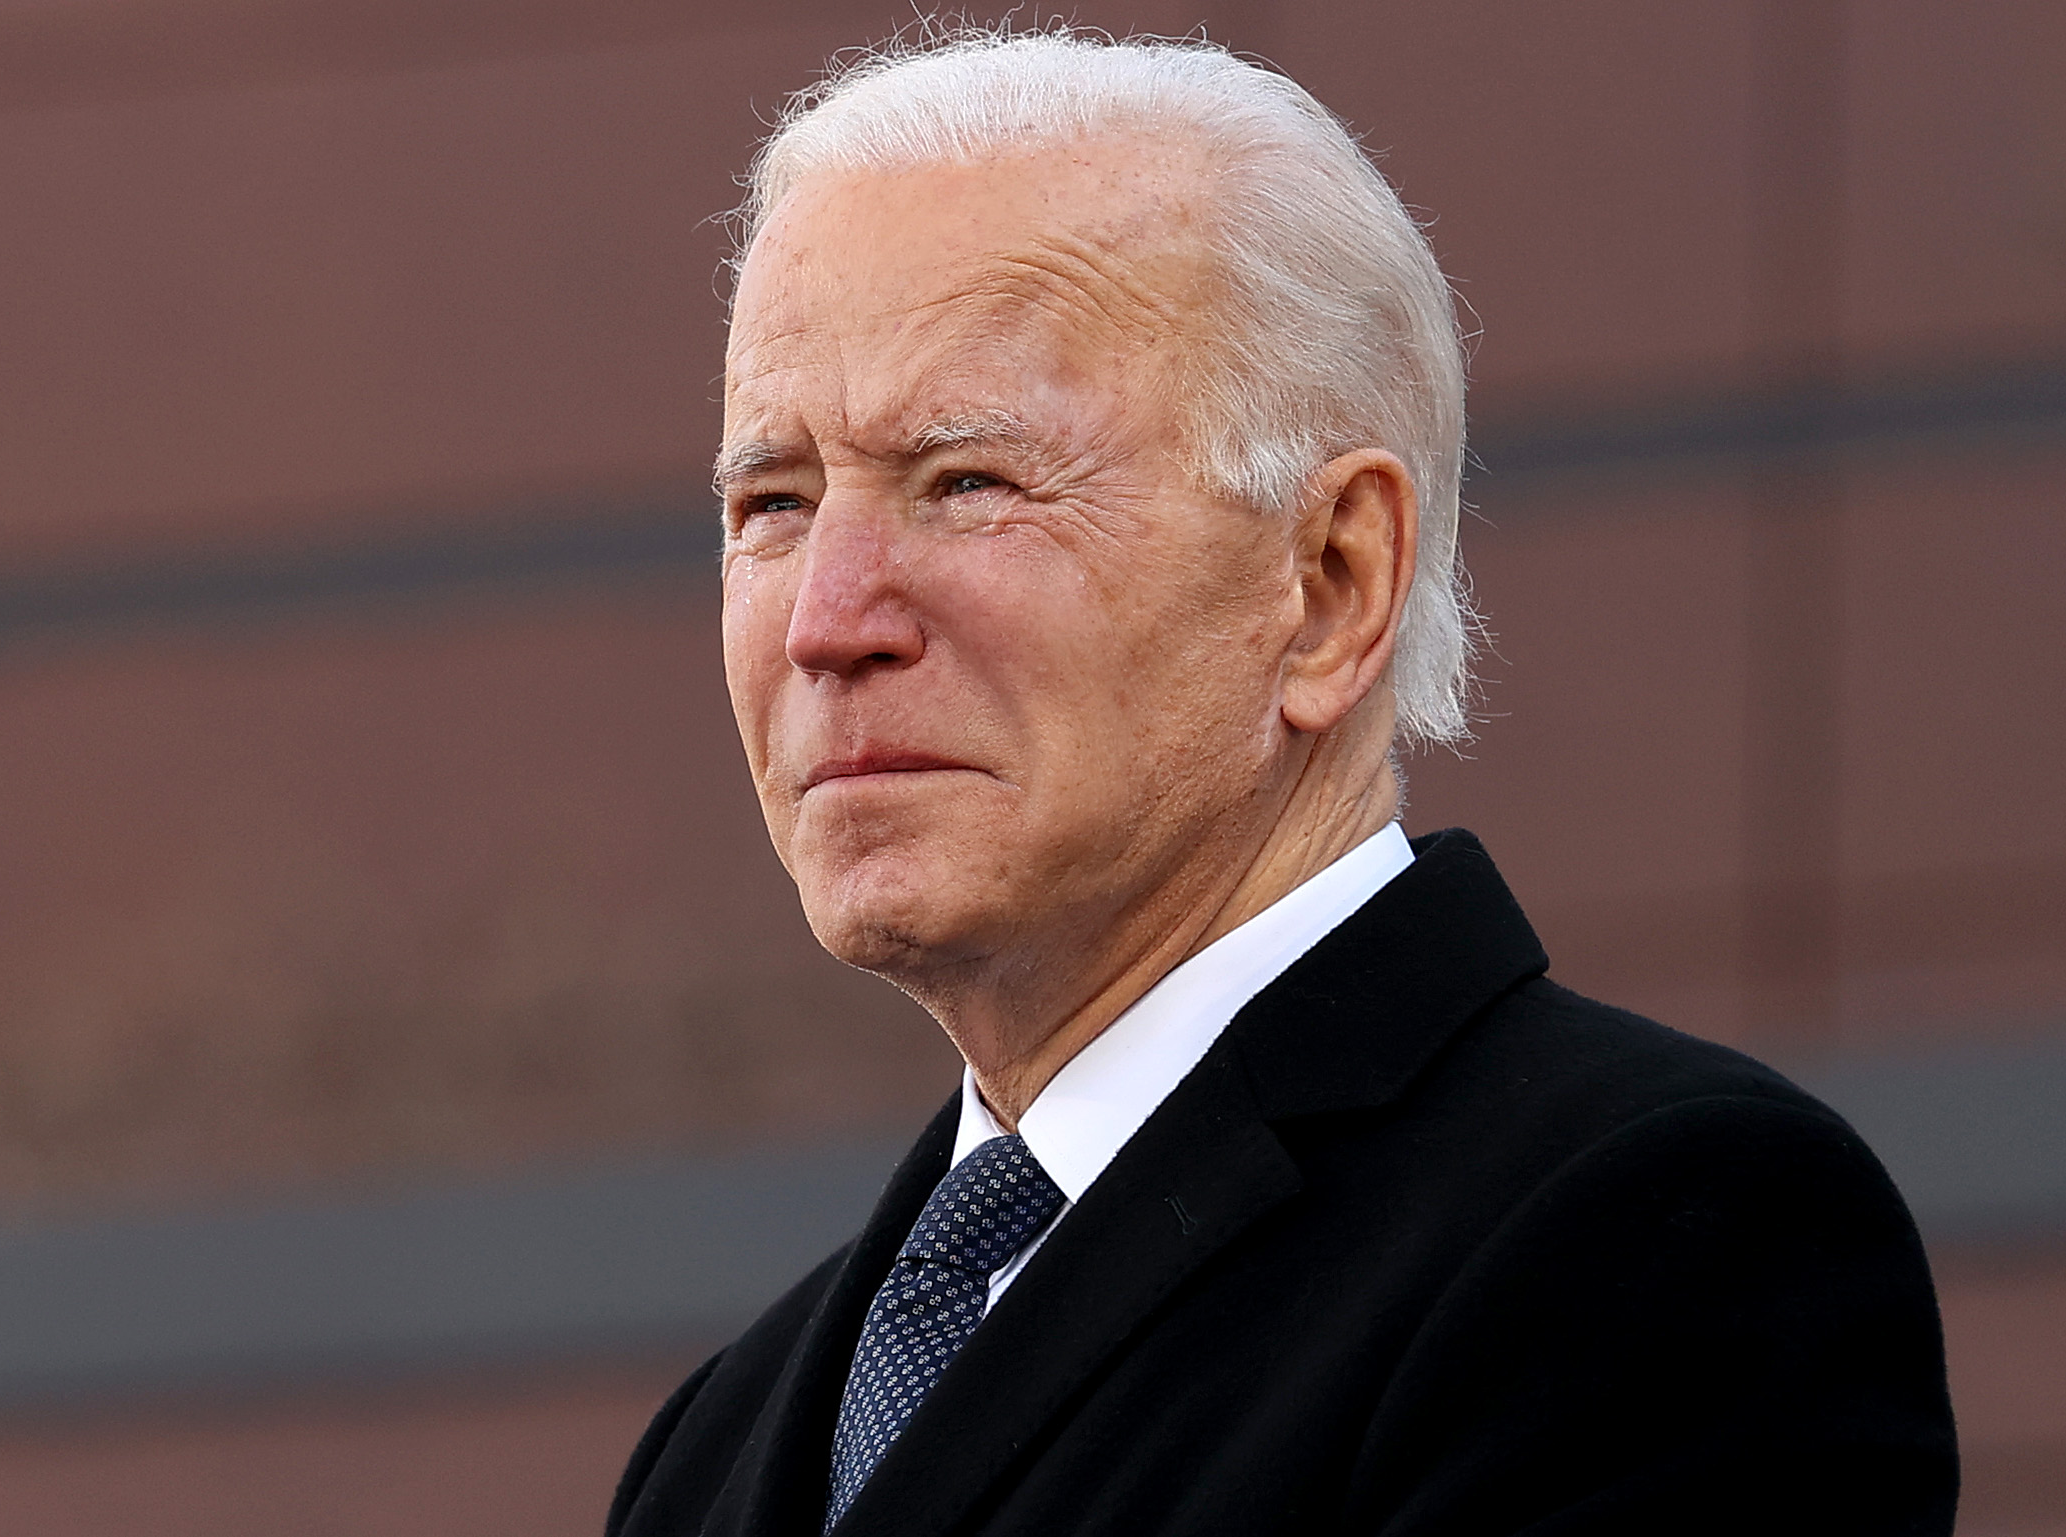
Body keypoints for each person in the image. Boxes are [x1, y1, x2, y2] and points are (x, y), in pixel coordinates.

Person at [607, 28, 1956, 1537]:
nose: (825, 619)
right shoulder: (723, 1438)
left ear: (1327, 581)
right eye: (771, 501)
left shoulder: (1654, 1238)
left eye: (966, 481)